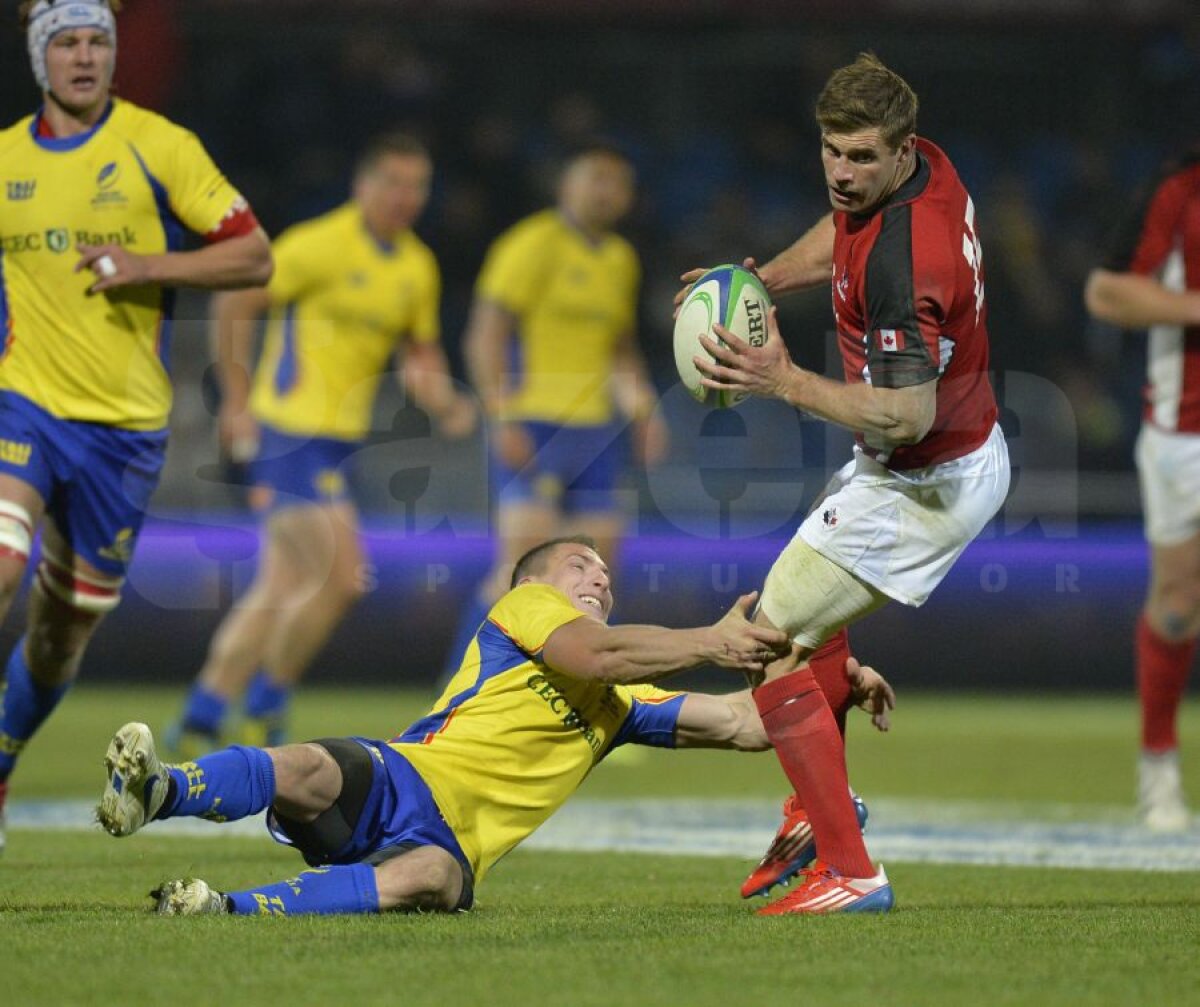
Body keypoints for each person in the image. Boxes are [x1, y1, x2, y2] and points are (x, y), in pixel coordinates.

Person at [97, 535, 895, 915]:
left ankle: (225, 908)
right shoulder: (522, 614)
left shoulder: (621, 711)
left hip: (443, 845)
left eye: (606, 573)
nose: (600, 575)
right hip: (402, 777)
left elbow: (747, 725)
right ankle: (160, 789)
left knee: (435, 883)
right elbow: (601, 653)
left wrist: (834, 681)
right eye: (581, 565)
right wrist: (711, 640)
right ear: (537, 581)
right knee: (313, 764)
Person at [681, 52, 1010, 913]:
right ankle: (811, 809)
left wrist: (781, 378)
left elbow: (903, 415)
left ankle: (850, 866)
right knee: (798, 629)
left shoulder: (911, 263)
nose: (842, 171)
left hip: (922, 478)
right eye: (832, 149)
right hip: (922, 459)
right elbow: (842, 227)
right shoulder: (920, 165)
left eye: (862, 157)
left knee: (761, 637)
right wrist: (763, 279)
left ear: (899, 153)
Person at [0, 0, 272, 854]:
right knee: (3, 559)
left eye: (96, 43)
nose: (84, 58)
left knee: (60, 632)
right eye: (67, 43)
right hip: (25, 405)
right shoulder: (4, 159)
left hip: (125, 430)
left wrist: (152, 263)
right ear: (38, 56)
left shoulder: (161, 146)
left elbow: (253, 253)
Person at [164, 133, 475, 757]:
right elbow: (236, 300)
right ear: (362, 184)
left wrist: (442, 396)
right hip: (286, 435)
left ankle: (202, 713)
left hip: (336, 447)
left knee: (279, 588)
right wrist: (235, 398)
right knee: (342, 575)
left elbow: (417, 352)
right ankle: (267, 704)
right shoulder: (317, 244)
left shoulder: (416, 266)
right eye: (392, 181)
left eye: (416, 185)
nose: (404, 196)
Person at [442, 143, 670, 678]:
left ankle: (580, 708)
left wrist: (645, 412)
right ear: (566, 185)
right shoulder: (530, 245)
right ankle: (459, 693)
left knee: (594, 581)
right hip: (534, 427)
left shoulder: (620, 260)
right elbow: (485, 336)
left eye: (617, 182)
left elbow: (620, 349)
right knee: (518, 574)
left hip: (596, 435)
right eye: (595, 178)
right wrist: (500, 416)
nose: (605, 191)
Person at [1084, 143, 1200, 832]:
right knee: (1180, 602)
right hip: (1186, 428)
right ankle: (1158, 766)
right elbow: (1107, 291)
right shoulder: (1178, 187)